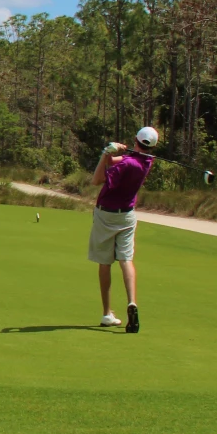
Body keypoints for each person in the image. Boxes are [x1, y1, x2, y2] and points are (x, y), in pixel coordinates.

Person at [88, 126, 157, 333]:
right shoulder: (146, 161)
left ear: (136, 139)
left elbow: (96, 180)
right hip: (127, 215)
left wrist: (105, 153)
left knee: (105, 262)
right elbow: (116, 162)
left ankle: (107, 313)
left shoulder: (127, 164)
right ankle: (132, 302)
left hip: (106, 215)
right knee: (126, 259)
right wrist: (114, 153)